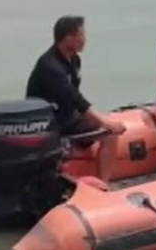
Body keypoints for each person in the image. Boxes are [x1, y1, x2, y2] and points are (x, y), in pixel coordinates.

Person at [25, 15, 125, 182]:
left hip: (67, 116)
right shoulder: (50, 66)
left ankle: (100, 181)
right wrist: (103, 122)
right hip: (49, 124)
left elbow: (75, 99)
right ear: (68, 38)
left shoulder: (73, 60)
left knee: (103, 128)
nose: (84, 39)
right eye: (81, 35)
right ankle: (102, 185)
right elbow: (74, 98)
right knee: (109, 133)